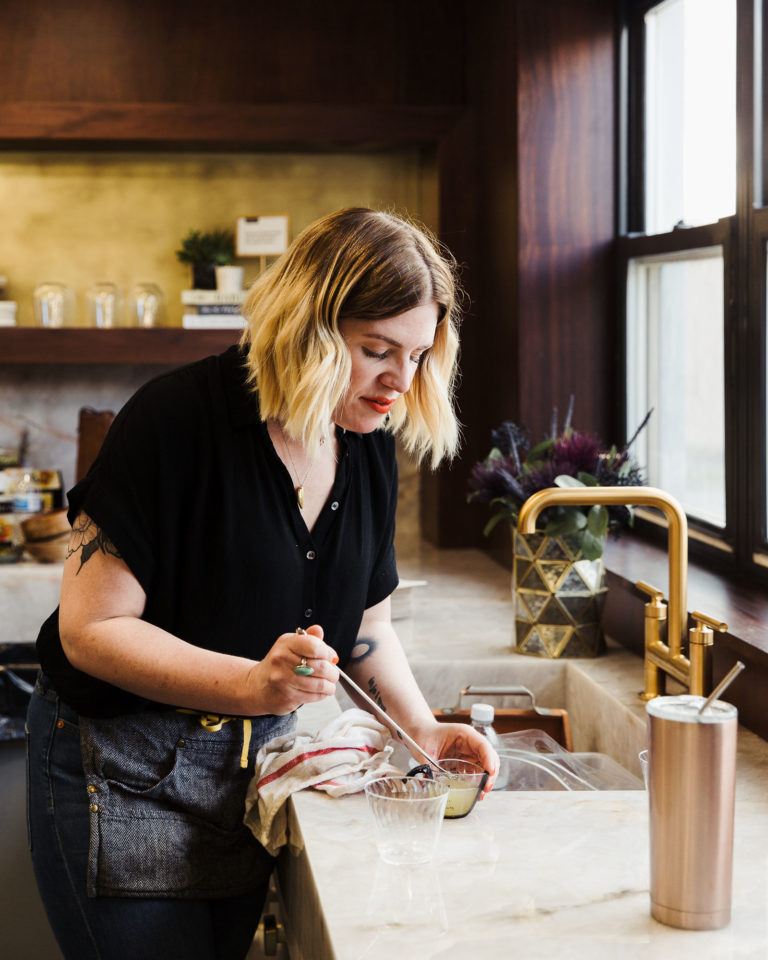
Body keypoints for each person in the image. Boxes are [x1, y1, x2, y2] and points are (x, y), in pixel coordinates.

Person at [26, 207, 499, 960]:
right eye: (377, 349)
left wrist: (421, 733)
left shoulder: (366, 444)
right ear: (307, 325)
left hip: (248, 778)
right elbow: (92, 631)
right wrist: (253, 684)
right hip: (121, 772)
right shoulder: (174, 420)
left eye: (417, 355)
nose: (400, 381)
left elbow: (367, 625)